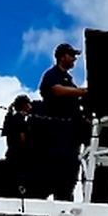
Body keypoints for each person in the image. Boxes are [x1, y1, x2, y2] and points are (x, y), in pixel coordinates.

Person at [36, 42, 87, 200]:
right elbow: (57, 90)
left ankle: (65, 198)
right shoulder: (52, 74)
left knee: (70, 173)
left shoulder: (68, 78)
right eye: (72, 56)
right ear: (63, 56)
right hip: (58, 133)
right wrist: (83, 92)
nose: (74, 60)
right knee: (57, 171)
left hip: (70, 134)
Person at [3, 93, 35, 197]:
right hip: (19, 155)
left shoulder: (12, 118)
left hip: (12, 153)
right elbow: (22, 137)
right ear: (24, 105)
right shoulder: (19, 119)